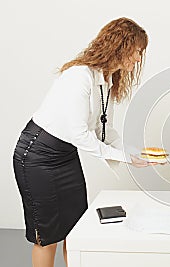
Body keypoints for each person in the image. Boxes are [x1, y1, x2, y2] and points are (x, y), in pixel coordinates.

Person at [13, 17, 156, 267]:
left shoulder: (108, 80)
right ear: (119, 46)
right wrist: (123, 157)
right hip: (37, 156)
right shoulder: (79, 76)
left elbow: (105, 130)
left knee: (76, 229)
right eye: (136, 51)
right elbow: (79, 135)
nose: (137, 58)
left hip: (64, 156)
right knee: (46, 235)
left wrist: (132, 154)